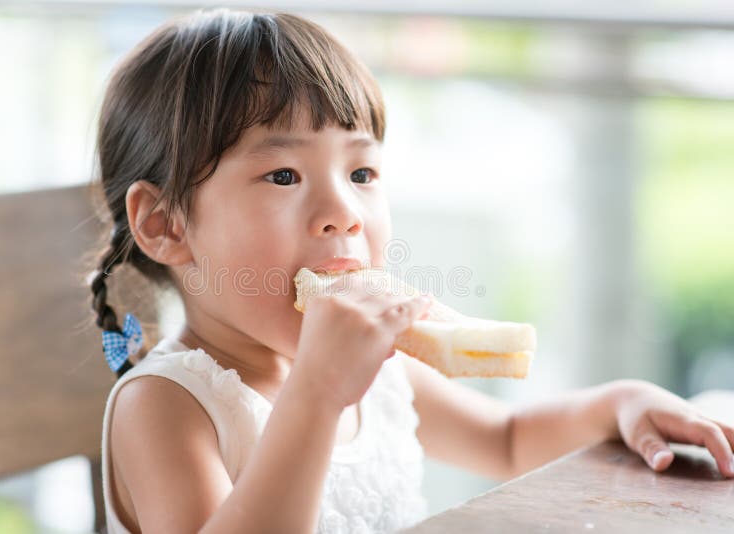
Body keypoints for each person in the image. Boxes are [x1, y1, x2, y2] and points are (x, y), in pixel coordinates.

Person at [85, 7, 734, 534]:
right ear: (165, 224)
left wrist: (621, 403)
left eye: (361, 173)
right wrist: (315, 396)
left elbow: (506, 439)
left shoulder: (383, 368)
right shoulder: (167, 407)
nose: (343, 212)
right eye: (283, 175)